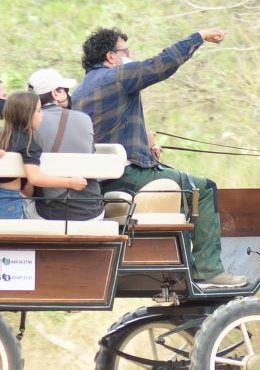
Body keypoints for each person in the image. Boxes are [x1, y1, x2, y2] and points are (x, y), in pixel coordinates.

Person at [72, 27, 246, 288]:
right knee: (204, 188)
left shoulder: (80, 91)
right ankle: (208, 271)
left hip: (101, 181)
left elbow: (109, 135)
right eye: (125, 51)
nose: (130, 55)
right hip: (126, 176)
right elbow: (161, 64)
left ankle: (187, 261)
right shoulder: (118, 76)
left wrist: (146, 144)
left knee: (180, 182)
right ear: (111, 57)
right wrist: (198, 37)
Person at [0, 92, 87, 219]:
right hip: (7, 201)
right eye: (39, 111)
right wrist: (70, 182)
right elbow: (35, 178)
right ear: (27, 115)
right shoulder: (28, 141)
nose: (42, 115)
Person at [26, 68, 104, 221]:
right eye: (65, 90)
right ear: (55, 93)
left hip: (51, 213)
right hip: (92, 211)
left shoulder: (29, 125)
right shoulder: (84, 119)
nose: (68, 94)